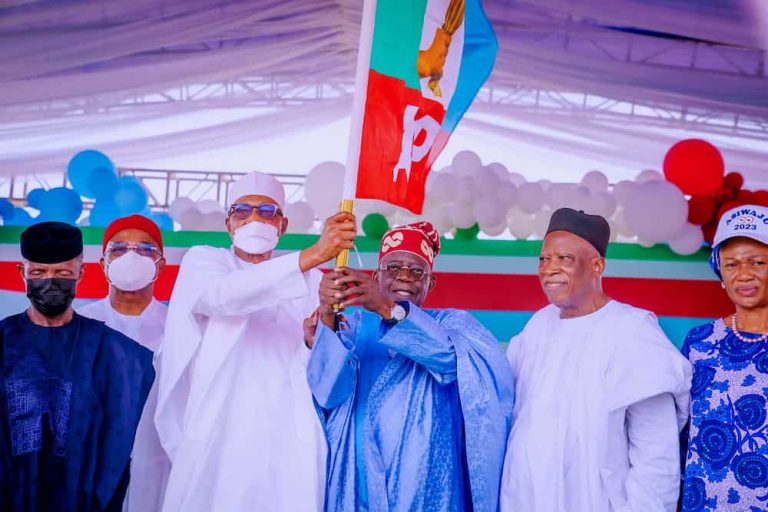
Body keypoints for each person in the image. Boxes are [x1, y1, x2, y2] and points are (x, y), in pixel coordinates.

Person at [156, 171, 357, 512]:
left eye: (266, 212)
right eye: (242, 211)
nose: (254, 219)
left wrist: (314, 340)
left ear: (283, 224)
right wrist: (316, 252)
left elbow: (319, 373)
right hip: (219, 432)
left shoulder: (314, 281)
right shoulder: (206, 261)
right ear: (228, 224)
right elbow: (221, 297)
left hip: (288, 440)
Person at [306, 221, 515, 512]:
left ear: (431, 283)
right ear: (376, 276)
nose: (404, 276)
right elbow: (328, 392)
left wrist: (387, 309)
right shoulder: (353, 327)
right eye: (393, 268)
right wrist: (328, 315)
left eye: (417, 271)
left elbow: (452, 361)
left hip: (428, 486)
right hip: (358, 483)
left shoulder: (452, 324)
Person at [500, 208, 692, 512]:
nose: (549, 269)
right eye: (544, 259)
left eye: (564, 258)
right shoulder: (537, 327)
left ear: (597, 266)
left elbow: (656, 454)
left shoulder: (634, 331)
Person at [0, 221, 154, 511]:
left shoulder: (117, 355)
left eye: (62, 273)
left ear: (80, 273)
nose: (50, 282)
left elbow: (120, 445)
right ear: (22, 273)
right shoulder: (3, 342)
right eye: (38, 273)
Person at [78, 214, 169, 512]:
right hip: (88, 466)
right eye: (118, 249)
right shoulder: (80, 325)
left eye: (145, 249)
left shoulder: (178, 329)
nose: (132, 257)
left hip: (157, 465)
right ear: (103, 264)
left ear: (161, 264)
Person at [680, 204, 768, 511]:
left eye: (757, 262)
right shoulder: (699, 343)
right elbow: (678, 432)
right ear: (720, 272)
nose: (743, 275)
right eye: (731, 264)